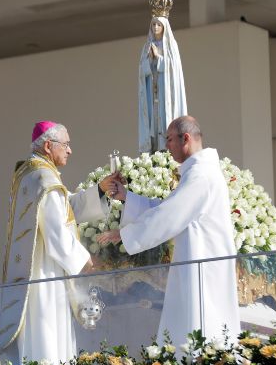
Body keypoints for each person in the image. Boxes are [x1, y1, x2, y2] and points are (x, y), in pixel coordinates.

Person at [98, 116, 240, 348]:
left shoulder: (201, 175)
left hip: (202, 265)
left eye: (169, 139)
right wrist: (128, 198)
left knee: (200, 328)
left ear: (185, 138)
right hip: (195, 261)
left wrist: (124, 234)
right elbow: (167, 207)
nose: (166, 146)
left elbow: (170, 215)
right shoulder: (198, 172)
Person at [0, 121, 119, 365]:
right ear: (49, 146)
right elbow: (56, 234)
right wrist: (87, 261)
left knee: (43, 337)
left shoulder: (31, 174)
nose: (70, 150)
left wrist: (100, 190)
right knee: (50, 338)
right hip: (47, 273)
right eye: (66, 144)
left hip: (38, 271)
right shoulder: (44, 178)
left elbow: (65, 210)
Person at [138, 0, 187, 153]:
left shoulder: (171, 46)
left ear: (164, 27)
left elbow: (173, 71)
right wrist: (149, 61)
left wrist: (158, 58)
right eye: (153, 25)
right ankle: (153, 150)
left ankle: (167, 150)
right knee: (153, 121)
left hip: (167, 93)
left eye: (159, 25)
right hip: (152, 93)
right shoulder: (147, 47)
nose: (156, 28)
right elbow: (142, 72)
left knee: (166, 120)